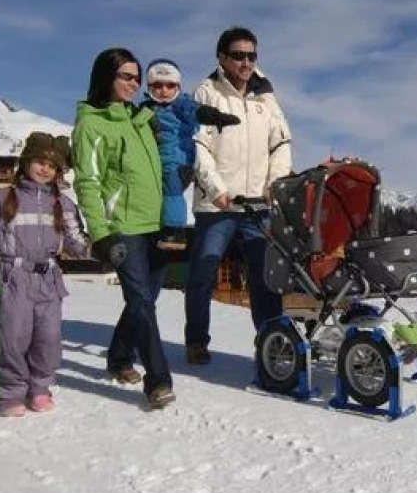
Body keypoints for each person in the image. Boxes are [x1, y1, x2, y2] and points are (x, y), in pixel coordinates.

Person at [71, 47, 176, 410]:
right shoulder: (92, 124)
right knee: (142, 301)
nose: (134, 84)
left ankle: (118, 357)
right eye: (126, 76)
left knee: (144, 300)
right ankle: (158, 381)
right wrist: (101, 234)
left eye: (137, 77)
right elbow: (87, 182)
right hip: (123, 226)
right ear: (106, 77)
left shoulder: (140, 119)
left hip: (154, 223)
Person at [184, 26, 294, 364]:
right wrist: (217, 190)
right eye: (238, 56)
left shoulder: (266, 97)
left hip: (258, 206)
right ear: (221, 58)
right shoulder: (206, 93)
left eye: (251, 56)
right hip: (217, 205)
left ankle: (271, 343)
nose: (246, 62)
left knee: (266, 277)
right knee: (203, 273)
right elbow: (198, 146)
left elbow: (281, 143)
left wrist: (275, 185)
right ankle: (197, 342)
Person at [0, 132, 90, 417]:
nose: (45, 169)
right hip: (13, 277)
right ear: (26, 162)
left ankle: (39, 388)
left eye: (52, 166)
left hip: (48, 279)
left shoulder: (63, 204)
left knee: (48, 338)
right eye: (39, 162)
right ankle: (11, 392)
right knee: (12, 336)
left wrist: (101, 246)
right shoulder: (3, 198)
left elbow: (76, 241)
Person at [139, 58, 240, 250]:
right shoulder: (145, 109)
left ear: (177, 87)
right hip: (155, 161)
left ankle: (174, 230)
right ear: (149, 87)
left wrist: (215, 116)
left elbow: (195, 111)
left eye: (170, 86)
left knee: (172, 190)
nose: (164, 90)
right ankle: (155, 226)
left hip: (177, 161)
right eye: (158, 85)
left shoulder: (181, 104)